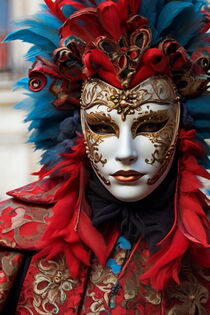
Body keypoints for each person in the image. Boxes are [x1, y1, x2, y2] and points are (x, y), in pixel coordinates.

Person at [0, 0, 210, 314]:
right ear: (79, 130)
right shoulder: (11, 233)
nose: (126, 153)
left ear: (182, 128)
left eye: (150, 125)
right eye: (103, 126)